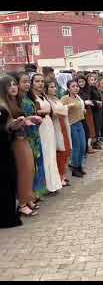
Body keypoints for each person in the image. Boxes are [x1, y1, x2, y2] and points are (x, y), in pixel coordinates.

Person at [1, 75, 42, 219]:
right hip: (16, 141)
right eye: (9, 85)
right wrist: (18, 122)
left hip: (23, 137)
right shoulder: (3, 104)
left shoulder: (15, 100)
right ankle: (23, 204)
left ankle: (27, 199)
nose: (13, 87)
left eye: (14, 84)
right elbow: (7, 125)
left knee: (30, 170)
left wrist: (29, 119)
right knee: (25, 171)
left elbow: (19, 120)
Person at [29, 73, 63, 194]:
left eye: (42, 81)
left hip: (49, 126)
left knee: (51, 155)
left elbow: (51, 111)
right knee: (44, 156)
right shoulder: (31, 98)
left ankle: (54, 184)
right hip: (40, 128)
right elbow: (31, 112)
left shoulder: (43, 95)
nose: (40, 83)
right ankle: (44, 186)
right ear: (32, 83)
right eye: (37, 81)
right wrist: (42, 111)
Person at [0, 89, 25, 227]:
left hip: (5, 146)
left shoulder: (4, 103)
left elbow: (6, 125)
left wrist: (13, 125)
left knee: (9, 180)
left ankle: (9, 214)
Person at [21, 73, 48, 202]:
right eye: (24, 82)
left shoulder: (28, 98)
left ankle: (36, 192)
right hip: (28, 136)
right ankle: (31, 195)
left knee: (37, 164)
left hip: (35, 134)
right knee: (31, 167)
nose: (27, 84)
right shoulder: (20, 100)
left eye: (27, 82)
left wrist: (38, 115)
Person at [45, 77, 72, 187]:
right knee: (59, 153)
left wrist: (63, 110)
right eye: (51, 87)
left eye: (55, 86)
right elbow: (54, 113)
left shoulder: (56, 99)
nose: (54, 88)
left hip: (63, 126)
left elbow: (61, 111)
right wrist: (65, 109)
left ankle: (63, 175)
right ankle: (60, 177)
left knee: (65, 152)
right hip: (56, 127)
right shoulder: (47, 100)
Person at [61, 80, 86, 178]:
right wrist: (68, 106)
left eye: (77, 86)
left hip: (80, 123)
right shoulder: (65, 98)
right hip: (72, 124)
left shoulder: (78, 97)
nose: (76, 88)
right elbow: (60, 108)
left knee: (83, 147)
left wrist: (82, 110)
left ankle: (79, 166)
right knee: (76, 147)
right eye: (73, 86)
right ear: (68, 88)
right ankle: (75, 168)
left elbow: (80, 107)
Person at [77, 74, 99, 152]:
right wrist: (85, 102)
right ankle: (87, 147)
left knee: (90, 128)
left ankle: (89, 146)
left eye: (83, 81)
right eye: (79, 82)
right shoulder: (77, 91)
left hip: (88, 111)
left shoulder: (87, 89)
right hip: (82, 113)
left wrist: (91, 102)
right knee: (85, 129)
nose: (81, 83)